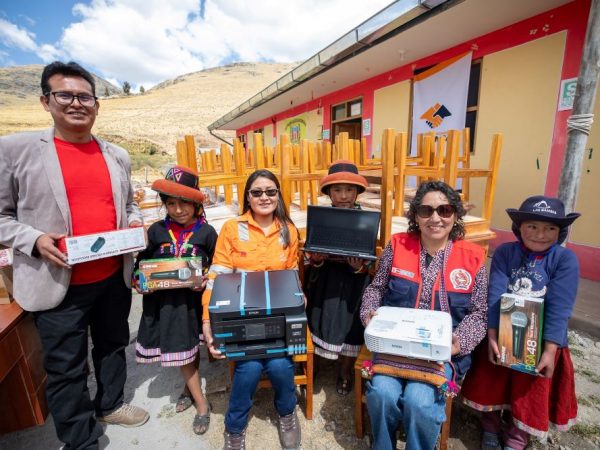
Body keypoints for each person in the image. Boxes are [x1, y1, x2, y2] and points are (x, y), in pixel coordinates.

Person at [0, 61, 148, 449]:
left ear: (97, 105)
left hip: (112, 277)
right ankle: (80, 440)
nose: (76, 103)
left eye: (85, 97)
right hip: (57, 283)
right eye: (65, 95)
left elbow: (128, 205)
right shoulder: (15, 150)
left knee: (113, 346)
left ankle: (110, 404)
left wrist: (134, 222)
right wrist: (33, 239)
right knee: (65, 367)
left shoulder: (116, 155)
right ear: (45, 101)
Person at [359, 180, 488, 450]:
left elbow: (479, 313)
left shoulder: (473, 258)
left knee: (419, 401)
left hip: (441, 354)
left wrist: (460, 342)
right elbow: (376, 288)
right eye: (426, 211)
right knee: (382, 393)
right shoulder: (398, 246)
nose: (435, 218)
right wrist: (369, 314)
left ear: (455, 214)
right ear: (416, 216)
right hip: (393, 346)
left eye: (444, 210)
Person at [461, 195, 581, 450]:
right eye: (532, 226)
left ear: (560, 232)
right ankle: (491, 426)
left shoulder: (564, 260)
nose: (540, 234)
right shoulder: (506, 252)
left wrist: (550, 350)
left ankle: (517, 436)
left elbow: (560, 307)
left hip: (541, 340)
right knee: (493, 382)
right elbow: (495, 294)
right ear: (519, 227)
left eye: (550, 228)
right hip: (502, 333)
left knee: (529, 391)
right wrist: (492, 336)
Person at [201, 169, 301, 450]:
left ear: (278, 195)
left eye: (270, 191)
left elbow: (292, 272)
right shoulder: (232, 229)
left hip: (277, 318)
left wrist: (299, 296)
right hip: (244, 318)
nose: (264, 197)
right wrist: (208, 322)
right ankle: (234, 427)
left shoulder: (288, 230)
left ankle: (287, 413)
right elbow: (216, 277)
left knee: (280, 366)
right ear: (247, 197)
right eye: (257, 192)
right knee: (249, 369)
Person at [133, 166, 217, 434]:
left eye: (184, 203)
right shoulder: (156, 231)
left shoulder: (207, 233)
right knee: (182, 352)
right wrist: (140, 282)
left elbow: (217, 264)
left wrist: (206, 278)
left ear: (196, 204)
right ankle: (202, 405)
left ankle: (189, 389)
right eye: (171, 204)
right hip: (167, 305)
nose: (178, 210)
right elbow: (140, 265)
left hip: (194, 302)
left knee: (190, 348)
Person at [304, 160, 372, 395]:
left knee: (351, 325)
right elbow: (311, 254)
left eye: (350, 190)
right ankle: (316, 364)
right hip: (325, 281)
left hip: (354, 283)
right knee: (319, 319)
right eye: (337, 190)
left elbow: (369, 259)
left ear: (357, 192)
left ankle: (344, 370)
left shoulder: (366, 221)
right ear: (329, 193)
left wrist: (359, 266)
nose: (344, 196)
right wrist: (317, 258)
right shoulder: (320, 218)